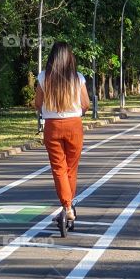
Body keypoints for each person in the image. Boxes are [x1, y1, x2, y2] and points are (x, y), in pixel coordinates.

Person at [34, 41, 90, 238]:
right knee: (71, 169)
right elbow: (86, 104)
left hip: (52, 126)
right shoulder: (78, 78)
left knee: (59, 168)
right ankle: (68, 206)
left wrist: (49, 113)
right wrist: (75, 113)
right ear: (70, 58)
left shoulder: (43, 77)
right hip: (74, 125)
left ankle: (67, 206)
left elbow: (37, 104)